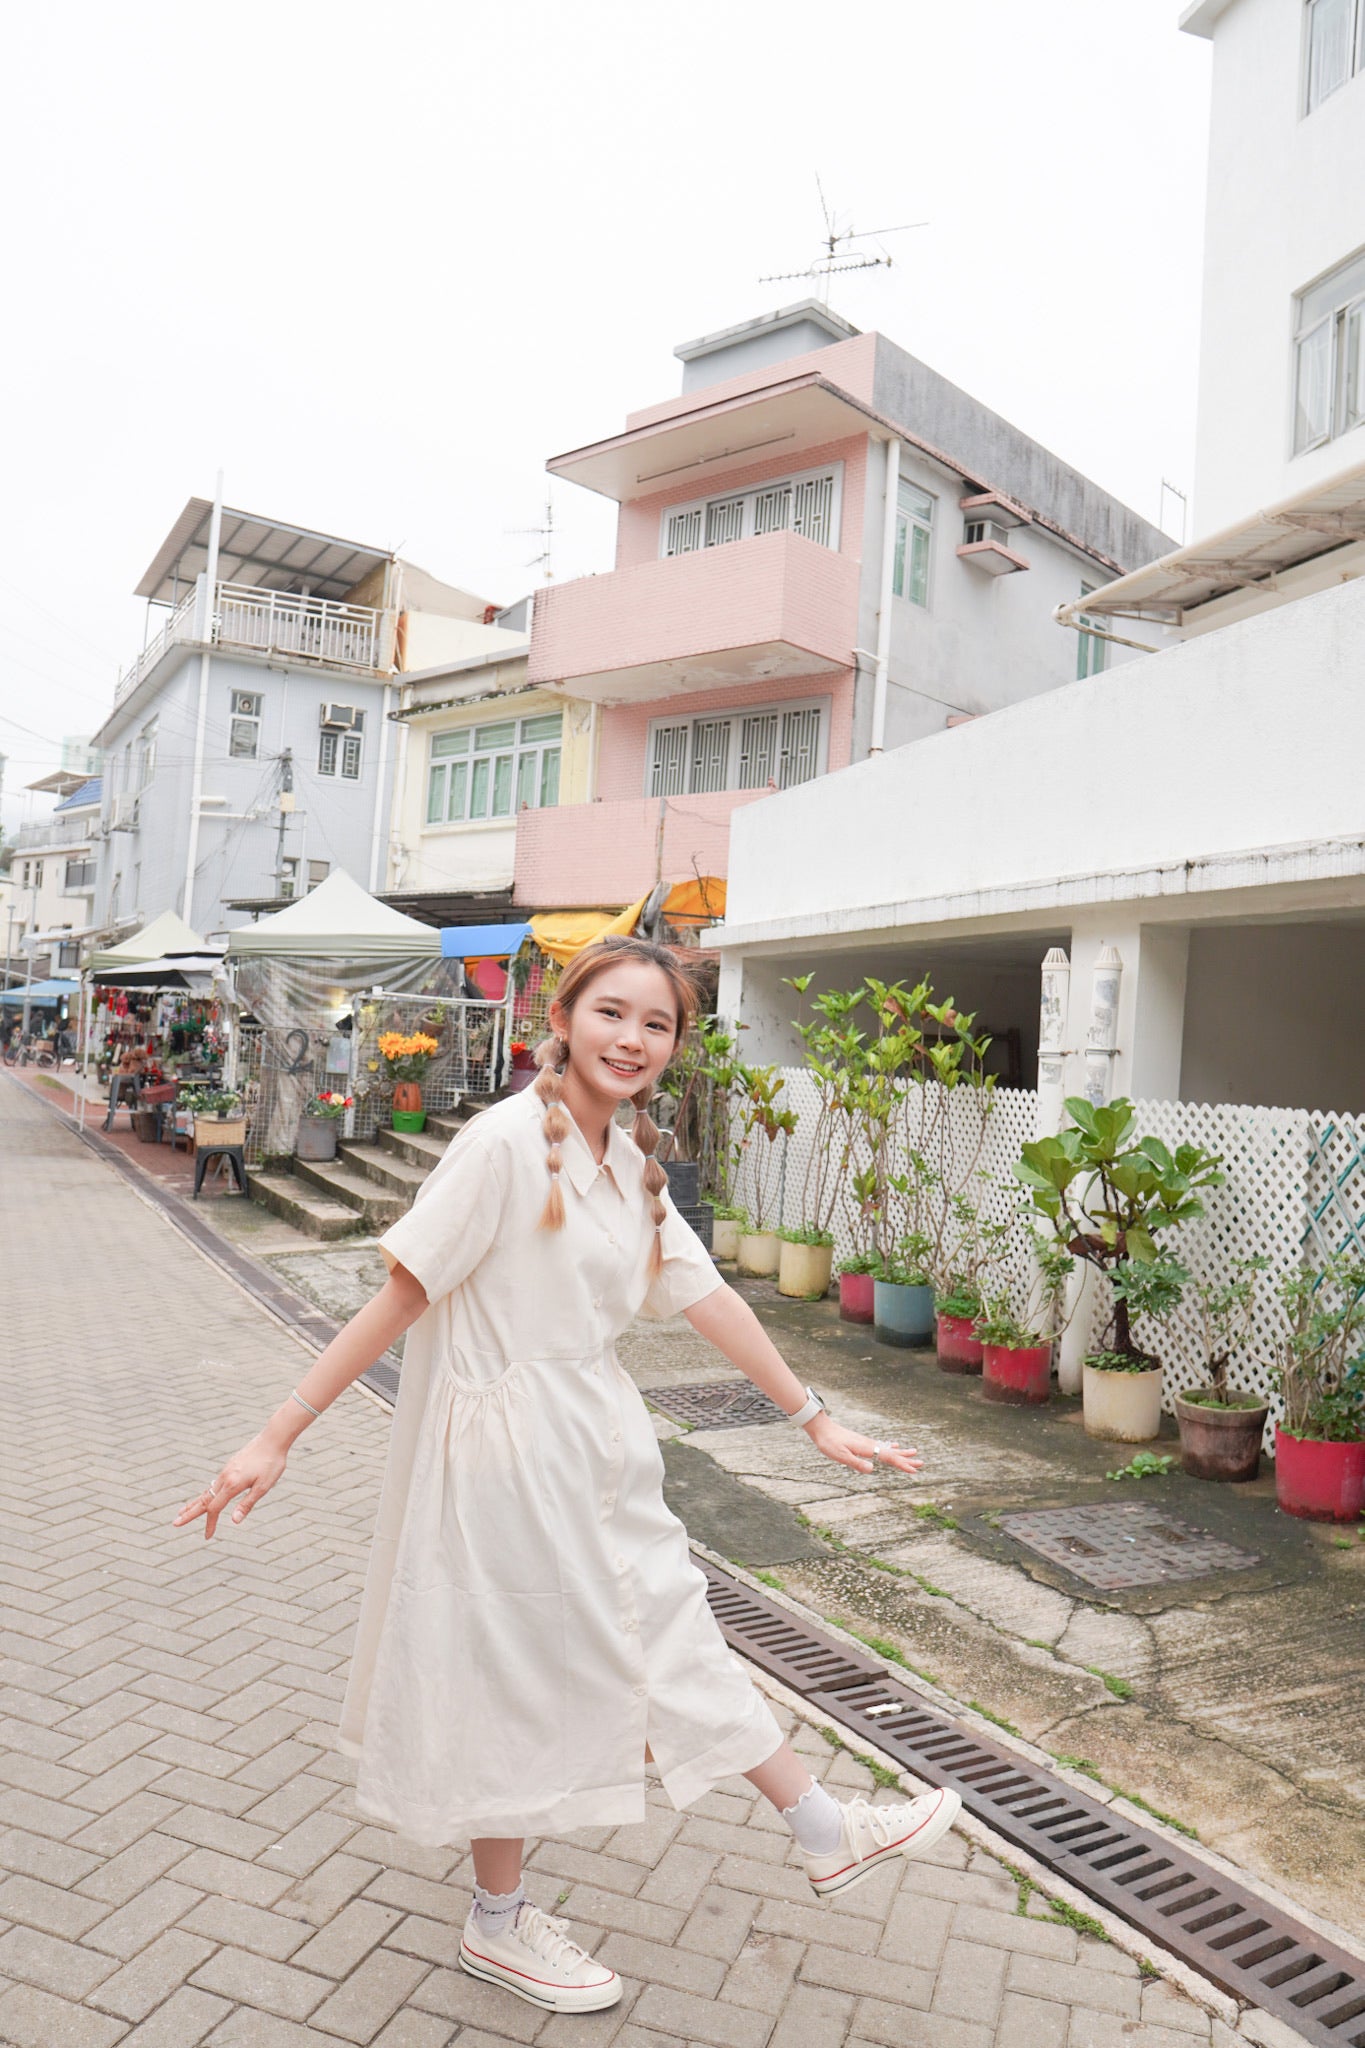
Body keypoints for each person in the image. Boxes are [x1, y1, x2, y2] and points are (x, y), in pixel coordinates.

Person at [175, 937, 960, 2018]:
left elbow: (707, 1296)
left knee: (672, 1625)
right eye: (614, 1012)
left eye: (658, 1024)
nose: (633, 1038)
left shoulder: (631, 1160)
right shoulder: (504, 1143)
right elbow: (400, 1296)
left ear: (676, 1045)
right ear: (564, 1013)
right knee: (521, 1674)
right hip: (501, 1460)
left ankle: (823, 1828)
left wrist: (813, 1416)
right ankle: (501, 1919)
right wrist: (278, 1432)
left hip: (597, 1444)